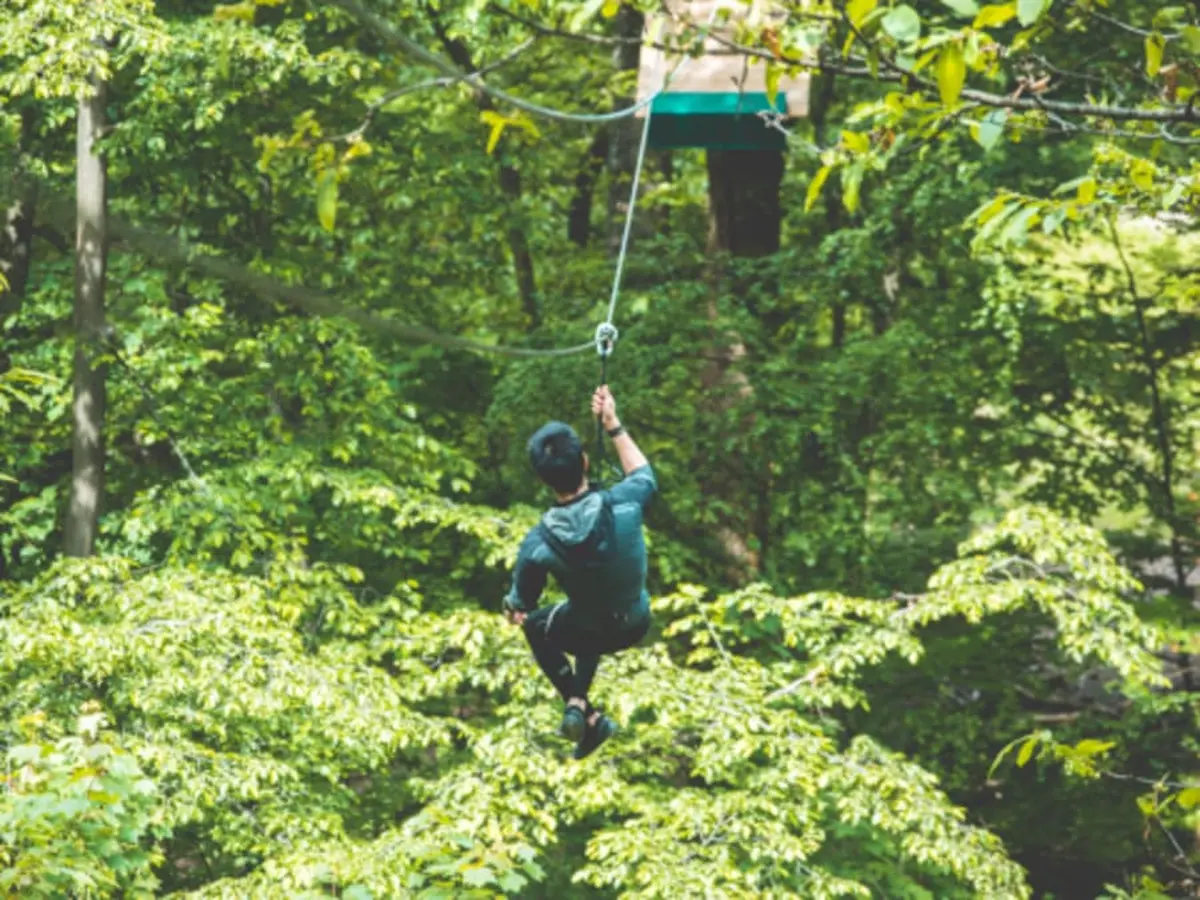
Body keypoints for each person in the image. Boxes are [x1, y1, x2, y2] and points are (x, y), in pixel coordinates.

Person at [503, 385, 656, 759]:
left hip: (587, 628)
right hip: (636, 621)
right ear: (585, 463)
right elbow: (644, 473)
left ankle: (581, 709)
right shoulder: (625, 503)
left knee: (542, 624)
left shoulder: (538, 543)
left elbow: (521, 605)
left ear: (542, 480)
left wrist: (510, 605)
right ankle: (579, 705)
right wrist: (613, 425)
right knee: (592, 608)